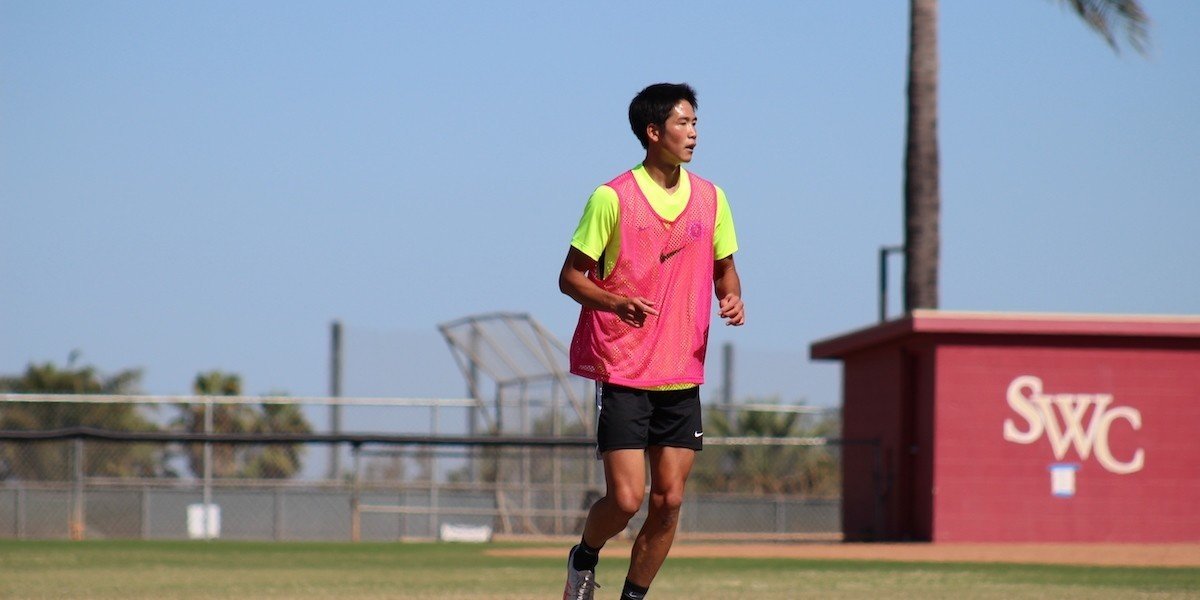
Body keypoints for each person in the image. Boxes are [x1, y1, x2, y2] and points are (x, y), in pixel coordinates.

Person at [558, 82, 744, 600]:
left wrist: (732, 298)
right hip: (623, 365)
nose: (694, 134)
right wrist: (616, 302)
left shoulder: (712, 197)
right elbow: (570, 278)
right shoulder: (611, 197)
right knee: (624, 499)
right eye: (684, 124)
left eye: (696, 123)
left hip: (682, 368)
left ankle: (633, 596)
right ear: (653, 131)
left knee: (669, 499)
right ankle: (584, 558)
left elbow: (725, 270)